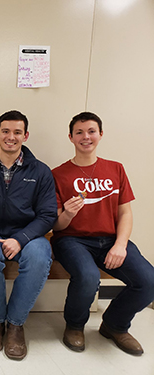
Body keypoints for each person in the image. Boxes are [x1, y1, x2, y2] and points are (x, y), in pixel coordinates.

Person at [51, 112, 154, 355]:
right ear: (71, 137)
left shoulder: (115, 169)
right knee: (87, 277)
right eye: (79, 132)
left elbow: (125, 214)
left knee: (148, 281)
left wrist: (120, 245)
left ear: (100, 135)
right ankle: (75, 326)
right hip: (72, 240)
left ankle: (115, 325)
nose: (85, 137)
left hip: (111, 239)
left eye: (91, 131)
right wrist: (67, 213)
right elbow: (56, 226)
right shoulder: (58, 174)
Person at [0, 110, 57, 360]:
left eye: (17, 132)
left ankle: (16, 324)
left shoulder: (40, 171)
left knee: (41, 257)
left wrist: (21, 239)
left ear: (25, 136)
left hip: (28, 233)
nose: (11, 137)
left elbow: (48, 215)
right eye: (5, 131)